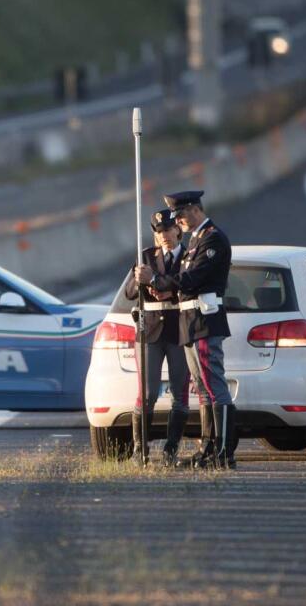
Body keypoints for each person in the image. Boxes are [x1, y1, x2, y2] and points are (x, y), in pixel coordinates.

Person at [136, 190, 236, 469]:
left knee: (215, 388)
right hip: (191, 320)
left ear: (194, 210)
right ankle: (208, 447)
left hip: (205, 319)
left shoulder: (213, 237)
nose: (178, 223)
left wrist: (157, 279)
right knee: (203, 389)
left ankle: (224, 451)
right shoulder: (196, 239)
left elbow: (194, 277)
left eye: (179, 217)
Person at [124, 210, 192, 466]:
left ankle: (170, 449)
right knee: (148, 392)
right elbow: (130, 292)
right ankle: (139, 450)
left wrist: (167, 287)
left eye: (168, 230)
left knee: (179, 392)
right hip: (149, 331)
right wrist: (139, 280)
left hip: (178, 330)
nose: (164, 236)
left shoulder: (188, 256)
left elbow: (191, 283)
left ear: (178, 230)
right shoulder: (145, 257)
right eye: (159, 231)